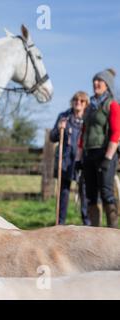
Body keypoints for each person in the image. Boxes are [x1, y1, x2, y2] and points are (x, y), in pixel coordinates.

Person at [80, 68, 120, 228]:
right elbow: (84, 133)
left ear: (107, 85)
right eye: (94, 81)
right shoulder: (89, 107)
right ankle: (95, 232)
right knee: (90, 195)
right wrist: (79, 158)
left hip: (105, 154)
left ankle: (114, 234)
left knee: (106, 193)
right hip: (89, 154)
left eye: (99, 81)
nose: (95, 83)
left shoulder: (112, 105)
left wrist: (108, 158)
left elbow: (117, 132)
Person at [50, 91, 90, 225]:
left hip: (82, 161)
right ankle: (60, 224)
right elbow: (52, 137)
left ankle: (87, 223)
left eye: (81, 100)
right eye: (75, 100)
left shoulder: (89, 118)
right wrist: (59, 128)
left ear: (86, 104)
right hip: (66, 161)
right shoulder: (64, 117)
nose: (78, 102)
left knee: (85, 193)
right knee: (64, 193)